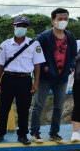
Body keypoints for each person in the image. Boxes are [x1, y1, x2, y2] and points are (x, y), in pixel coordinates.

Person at [0, 16, 45, 145]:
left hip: (25, 80)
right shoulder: (5, 44)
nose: (21, 28)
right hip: (8, 79)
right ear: (13, 26)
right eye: (18, 25)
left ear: (27, 28)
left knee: (23, 109)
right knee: (3, 108)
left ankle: (22, 135)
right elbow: (0, 66)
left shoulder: (34, 44)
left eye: (24, 26)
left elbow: (37, 65)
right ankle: (0, 133)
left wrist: (36, 83)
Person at [30, 8, 77, 144]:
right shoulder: (43, 37)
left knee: (58, 106)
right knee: (38, 105)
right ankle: (35, 133)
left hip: (62, 77)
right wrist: (44, 66)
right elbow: (35, 53)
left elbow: (74, 54)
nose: (63, 21)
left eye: (65, 19)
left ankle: (54, 133)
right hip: (45, 77)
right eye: (60, 19)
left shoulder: (70, 37)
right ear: (53, 20)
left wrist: (71, 66)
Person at [70, 45, 80, 143]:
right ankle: (75, 132)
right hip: (78, 81)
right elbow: (72, 60)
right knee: (78, 106)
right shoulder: (76, 44)